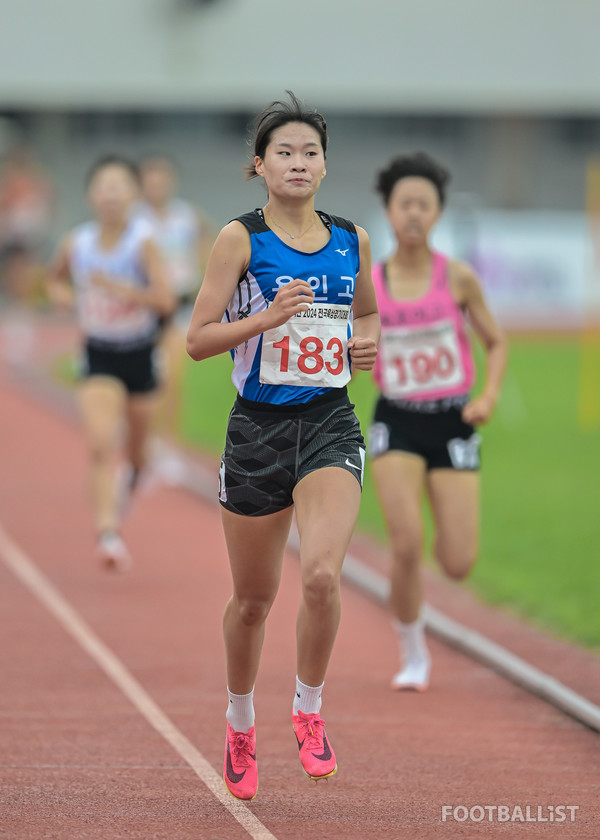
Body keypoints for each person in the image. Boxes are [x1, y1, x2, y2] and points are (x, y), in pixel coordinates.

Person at [186, 91, 379, 800]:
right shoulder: (240, 240)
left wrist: (368, 348)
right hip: (257, 431)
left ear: (325, 166)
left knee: (324, 576)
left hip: (331, 423)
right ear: (259, 165)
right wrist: (264, 317)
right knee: (253, 601)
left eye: (311, 152)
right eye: (285, 152)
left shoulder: (352, 238)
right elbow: (197, 340)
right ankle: (240, 723)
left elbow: (369, 312)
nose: (299, 163)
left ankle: (308, 709)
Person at [368, 152, 507, 691]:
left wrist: (489, 395)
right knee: (405, 543)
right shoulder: (370, 283)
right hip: (395, 421)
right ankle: (412, 652)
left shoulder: (460, 278)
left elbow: (495, 342)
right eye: (405, 204)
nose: (414, 214)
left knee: (457, 562)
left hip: (451, 421)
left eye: (424, 205)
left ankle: (419, 636)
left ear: (438, 213)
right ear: (388, 209)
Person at [48, 155, 174, 570]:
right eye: (103, 186)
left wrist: (121, 289)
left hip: (139, 352)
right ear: (90, 194)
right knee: (101, 444)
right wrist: (61, 294)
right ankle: (107, 532)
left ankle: (131, 481)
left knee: (136, 456)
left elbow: (165, 300)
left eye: (119, 186)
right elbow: (54, 279)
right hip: (98, 351)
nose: (110, 194)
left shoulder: (143, 242)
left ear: (133, 195)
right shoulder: (76, 242)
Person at [135, 155, 216, 446]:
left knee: (172, 377)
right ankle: (141, 437)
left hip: (179, 303)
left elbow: (208, 241)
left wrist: (201, 277)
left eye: (163, 180)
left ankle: (166, 441)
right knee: (143, 381)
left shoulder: (186, 216)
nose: (157, 186)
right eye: (151, 180)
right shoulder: (134, 219)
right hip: (143, 307)